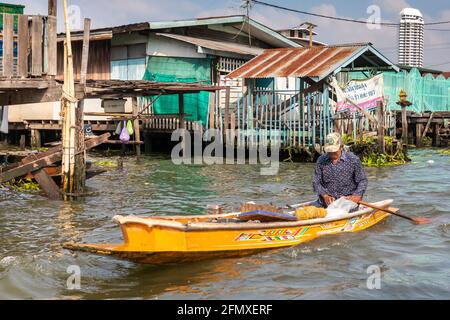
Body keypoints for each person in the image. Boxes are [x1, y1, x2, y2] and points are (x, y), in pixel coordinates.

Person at [312, 132, 368, 208]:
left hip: (347, 202)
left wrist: (356, 196)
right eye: (329, 151)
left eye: (334, 151)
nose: (331, 154)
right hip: (326, 202)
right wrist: (325, 196)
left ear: (341, 147)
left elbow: (362, 180)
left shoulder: (353, 160)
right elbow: (316, 182)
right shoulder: (321, 160)